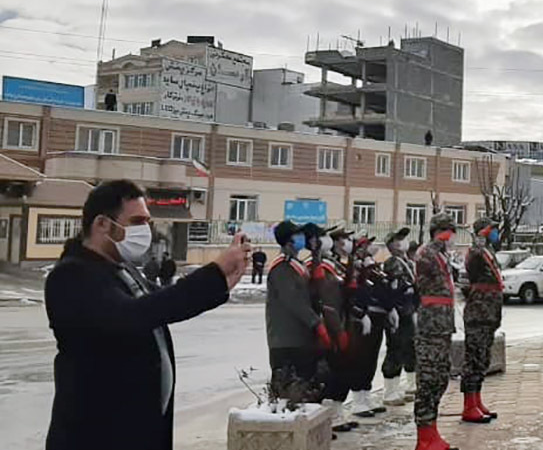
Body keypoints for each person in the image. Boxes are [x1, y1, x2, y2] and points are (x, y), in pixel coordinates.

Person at [44, 179, 249, 450]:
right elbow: (135, 314)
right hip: (96, 435)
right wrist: (214, 273)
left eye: (147, 222)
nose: (145, 230)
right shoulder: (71, 276)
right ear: (102, 224)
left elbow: (166, 302)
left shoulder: (122, 269)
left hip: (137, 431)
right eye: (137, 221)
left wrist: (221, 283)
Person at [266, 221, 331, 391]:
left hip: (302, 339)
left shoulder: (297, 264)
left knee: (307, 389)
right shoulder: (282, 268)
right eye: (298, 235)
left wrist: (316, 256)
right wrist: (316, 323)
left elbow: (314, 293)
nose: (302, 238)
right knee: (289, 391)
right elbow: (294, 300)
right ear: (288, 241)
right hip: (287, 341)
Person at [414, 214, 460, 450]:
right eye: (449, 231)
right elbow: (423, 280)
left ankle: (432, 432)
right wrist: (437, 242)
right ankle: (424, 437)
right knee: (428, 378)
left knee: (441, 377)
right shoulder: (427, 253)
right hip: (431, 325)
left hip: (442, 325)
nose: (452, 236)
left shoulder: (442, 255)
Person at [306, 224, 356, 433]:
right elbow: (326, 301)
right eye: (339, 238)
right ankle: (327, 419)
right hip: (328, 326)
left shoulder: (333, 263)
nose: (345, 243)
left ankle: (336, 413)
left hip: (339, 322)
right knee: (328, 374)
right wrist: (336, 330)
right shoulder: (316, 265)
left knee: (341, 371)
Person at [461, 218, 504, 423]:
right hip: (478, 313)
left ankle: (477, 400)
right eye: (492, 229)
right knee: (474, 359)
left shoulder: (488, 252)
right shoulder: (476, 253)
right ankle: (469, 406)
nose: (495, 232)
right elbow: (471, 274)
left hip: (489, 313)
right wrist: (478, 239)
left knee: (483, 359)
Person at [345, 234, 388, 418]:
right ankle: (358, 400)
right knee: (360, 358)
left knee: (371, 358)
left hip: (375, 316)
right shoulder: (354, 267)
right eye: (364, 246)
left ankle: (366, 396)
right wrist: (360, 313)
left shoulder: (371, 266)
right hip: (361, 317)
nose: (368, 248)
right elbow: (353, 293)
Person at [381, 228, 418, 406]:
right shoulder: (392, 263)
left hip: (409, 310)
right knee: (395, 348)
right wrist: (392, 309)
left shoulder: (408, 262)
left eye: (403, 239)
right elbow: (393, 289)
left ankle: (411, 385)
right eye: (397, 240)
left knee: (410, 347)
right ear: (390, 245)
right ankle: (390, 391)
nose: (401, 243)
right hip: (398, 311)